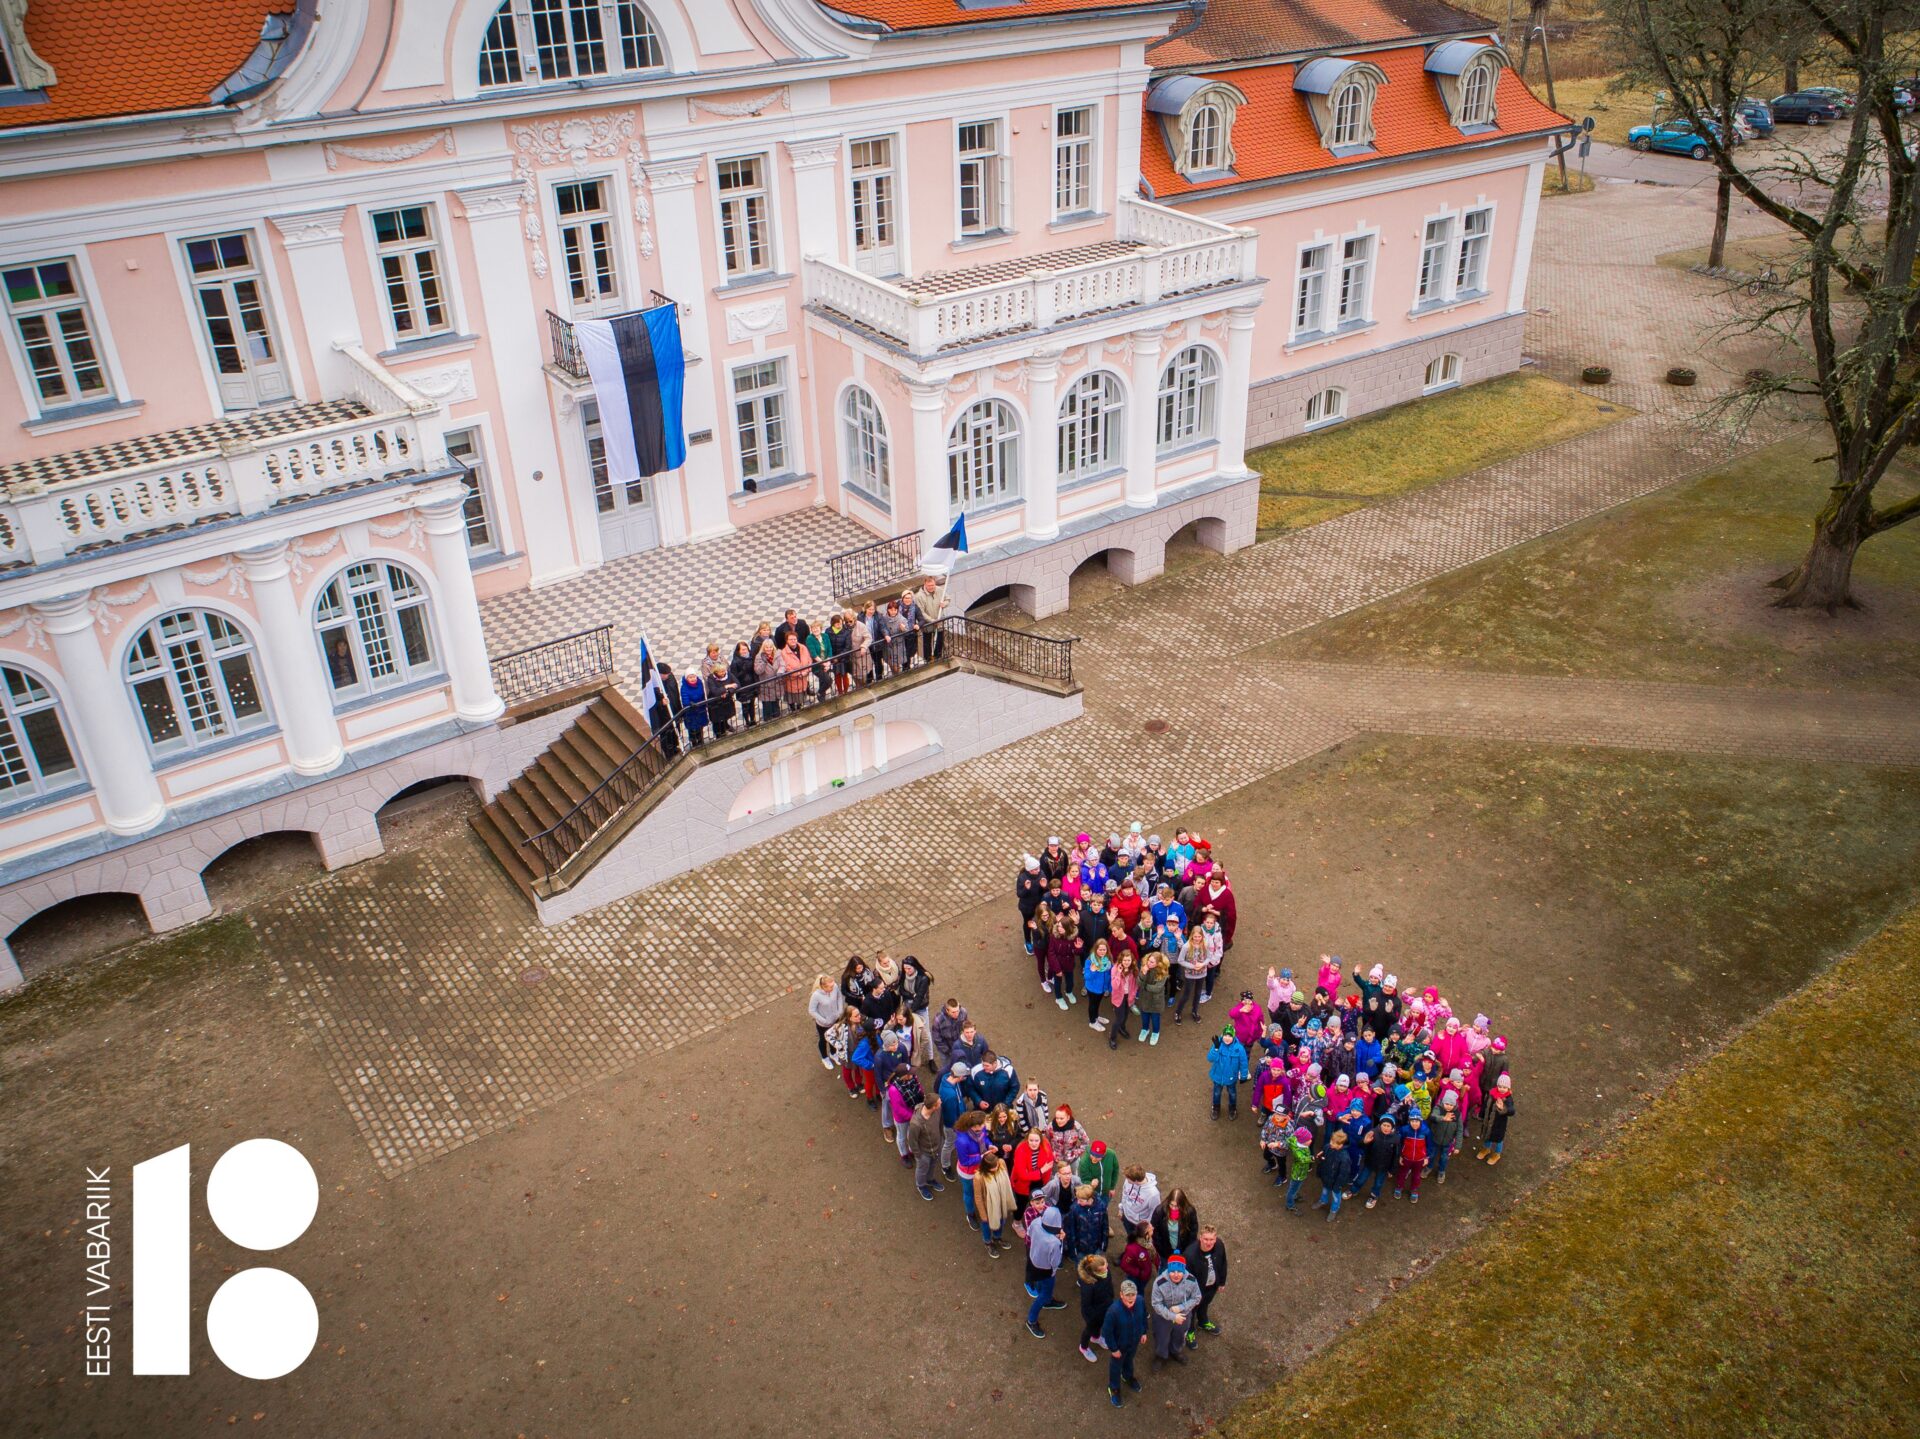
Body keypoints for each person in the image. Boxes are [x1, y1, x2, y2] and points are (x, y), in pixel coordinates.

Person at [1102, 1280, 1150, 1406]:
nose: (1130, 1297)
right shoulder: (1113, 1311)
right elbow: (1107, 1332)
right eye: (1127, 1295)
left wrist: (1144, 1332)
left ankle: (1127, 1376)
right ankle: (1114, 1388)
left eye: (1133, 1294)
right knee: (1116, 1366)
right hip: (1119, 1347)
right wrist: (1114, 1349)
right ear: (1121, 1295)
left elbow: (1144, 1316)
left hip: (1134, 1342)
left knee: (1129, 1360)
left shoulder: (1140, 1301)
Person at [1024, 1206, 1068, 1338]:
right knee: (1044, 1294)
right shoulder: (1054, 1242)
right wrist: (1061, 1239)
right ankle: (1031, 1320)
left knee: (1039, 1285)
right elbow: (1056, 1262)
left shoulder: (1036, 1222)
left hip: (1033, 1261)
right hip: (1046, 1271)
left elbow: (1029, 1234)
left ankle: (1046, 1300)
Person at [1148, 1255, 1199, 1365]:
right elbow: (1156, 1304)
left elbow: (1197, 1297)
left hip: (1183, 1316)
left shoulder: (1192, 1280)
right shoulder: (1159, 1282)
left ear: (1184, 1270)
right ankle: (1161, 1356)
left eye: (1179, 1271)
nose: (1176, 1274)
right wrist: (1173, 1316)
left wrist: (1181, 1308)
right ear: (1168, 1270)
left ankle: (1175, 1351)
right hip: (1163, 1315)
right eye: (1173, 1271)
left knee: (1180, 1335)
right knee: (1161, 1336)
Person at [1181, 1226, 1228, 1343]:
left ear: (1215, 1238)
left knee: (1205, 1304)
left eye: (1212, 1239)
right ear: (1200, 1238)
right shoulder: (1189, 1255)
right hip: (1196, 1290)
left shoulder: (1219, 1246)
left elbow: (1223, 1264)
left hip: (1212, 1286)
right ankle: (1189, 1331)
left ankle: (1203, 1321)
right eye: (1206, 1239)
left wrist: (1222, 1282)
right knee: (1191, 1311)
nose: (1209, 1242)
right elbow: (1186, 1278)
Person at [953, 1107, 989, 1227]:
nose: (985, 1125)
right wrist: (982, 1156)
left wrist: (991, 1145)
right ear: (975, 1126)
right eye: (983, 1123)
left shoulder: (981, 1129)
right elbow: (964, 1161)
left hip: (980, 1168)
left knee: (979, 1191)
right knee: (969, 1193)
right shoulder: (962, 1141)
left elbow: (986, 1138)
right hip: (968, 1173)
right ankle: (970, 1214)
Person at [1076, 1253, 1114, 1364]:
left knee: (1100, 1325)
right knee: (1089, 1329)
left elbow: (1109, 1286)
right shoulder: (1088, 1285)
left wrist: (1110, 1298)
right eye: (1103, 1269)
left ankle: (1096, 1337)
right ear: (1095, 1272)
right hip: (1093, 1314)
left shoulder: (1106, 1272)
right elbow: (1086, 1305)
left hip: (1105, 1307)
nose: (1106, 1269)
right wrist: (1092, 1318)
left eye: (1106, 1265)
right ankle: (1083, 1347)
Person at [1314, 1127, 1358, 1223]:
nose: (1331, 1143)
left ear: (1341, 1145)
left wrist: (1338, 1185)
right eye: (1331, 1141)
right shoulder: (1327, 1147)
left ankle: (1334, 1210)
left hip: (1335, 1182)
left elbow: (1344, 1173)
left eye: (1333, 1143)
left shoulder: (1344, 1158)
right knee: (1325, 1190)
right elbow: (1323, 1157)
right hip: (1326, 1176)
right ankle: (1323, 1201)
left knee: (1335, 1196)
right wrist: (1320, 1158)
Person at [977, 1152, 1016, 1257]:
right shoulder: (979, 1177)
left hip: (1001, 1202)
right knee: (986, 1225)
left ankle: (997, 1238)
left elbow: (1006, 1180)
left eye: (996, 1166)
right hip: (988, 1207)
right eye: (992, 1168)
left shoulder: (1001, 1163)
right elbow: (978, 1197)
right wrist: (983, 1214)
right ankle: (988, 1242)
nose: (995, 1168)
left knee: (1001, 1221)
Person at [907, 1093, 945, 1200]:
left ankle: (930, 1179)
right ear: (933, 1106)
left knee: (932, 1166)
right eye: (939, 1102)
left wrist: (941, 1137)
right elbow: (912, 1141)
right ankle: (921, 1185)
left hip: (936, 1147)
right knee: (922, 1170)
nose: (941, 1102)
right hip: (924, 1153)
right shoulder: (916, 1123)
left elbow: (940, 1123)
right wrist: (919, 1155)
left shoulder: (937, 1110)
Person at [937, 1061, 969, 1182]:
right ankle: (945, 1166)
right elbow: (951, 1118)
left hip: (958, 1118)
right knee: (949, 1144)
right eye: (964, 1075)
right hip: (952, 1126)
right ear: (959, 1076)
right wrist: (959, 1126)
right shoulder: (950, 1095)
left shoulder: (948, 1078)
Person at [1361, 1113, 1401, 1209]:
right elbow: (1363, 1146)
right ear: (1380, 1125)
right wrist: (1364, 1142)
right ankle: (1354, 1190)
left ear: (1392, 1127)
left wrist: (1392, 1170)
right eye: (1384, 1125)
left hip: (1384, 1166)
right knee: (1361, 1178)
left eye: (1388, 1126)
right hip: (1370, 1162)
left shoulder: (1396, 1139)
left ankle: (1373, 1196)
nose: (1386, 1128)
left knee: (1378, 1183)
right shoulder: (1373, 1133)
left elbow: (1396, 1155)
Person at [1208, 1026, 1248, 1120]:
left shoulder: (1239, 1048)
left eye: (1230, 1036)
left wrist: (1243, 1075)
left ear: (1234, 1037)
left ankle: (1232, 1108)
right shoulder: (1218, 1044)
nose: (1227, 1038)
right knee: (1217, 1093)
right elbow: (1210, 1058)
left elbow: (1243, 1063)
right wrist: (1216, 1049)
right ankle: (1216, 1108)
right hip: (1218, 1076)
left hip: (1231, 1077)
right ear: (1222, 1035)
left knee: (1232, 1093)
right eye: (1225, 1035)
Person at [1011, 1126, 1055, 1208]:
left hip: (1039, 1181)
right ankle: (1017, 1220)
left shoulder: (1046, 1145)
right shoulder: (1020, 1150)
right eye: (1031, 1140)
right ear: (1027, 1139)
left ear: (1040, 1140)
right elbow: (1022, 1175)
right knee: (1021, 1203)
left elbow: (1049, 1165)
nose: (1034, 1143)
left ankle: (1034, 1215)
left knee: (1038, 1201)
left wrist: (1044, 1181)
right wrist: (1041, 1171)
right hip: (1023, 1184)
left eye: (1036, 1140)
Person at [806, 974, 843, 1069]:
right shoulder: (816, 995)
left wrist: (840, 1011)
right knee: (823, 1040)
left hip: (835, 1019)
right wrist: (824, 1020)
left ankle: (833, 1053)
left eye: (833, 985)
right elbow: (812, 1010)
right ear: (823, 987)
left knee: (834, 1037)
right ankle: (824, 1057)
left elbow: (839, 997)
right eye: (830, 986)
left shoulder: (834, 987)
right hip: (823, 1024)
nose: (833, 987)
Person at [1478, 1072, 1515, 1164]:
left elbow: (1512, 1111)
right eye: (1500, 1086)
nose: (1502, 1089)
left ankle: (1497, 1154)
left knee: (1498, 1139)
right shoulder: (1492, 1093)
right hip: (1488, 1120)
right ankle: (1486, 1149)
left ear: (1508, 1088)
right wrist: (1482, 1114)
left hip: (1499, 1124)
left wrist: (1503, 1108)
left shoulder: (1508, 1099)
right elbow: (1486, 1105)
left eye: (1504, 1087)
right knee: (1487, 1135)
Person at [1427, 1090, 1462, 1184]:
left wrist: (1458, 1146)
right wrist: (1443, 1118)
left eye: (1451, 1105)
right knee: (1432, 1154)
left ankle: (1441, 1171)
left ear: (1454, 1105)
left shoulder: (1457, 1114)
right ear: (1443, 1102)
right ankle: (1428, 1167)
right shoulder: (1438, 1108)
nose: (1449, 1106)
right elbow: (1433, 1116)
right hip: (1435, 1138)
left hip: (1448, 1141)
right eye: (1447, 1103)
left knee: (1444, 1158)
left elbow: (1459, 1130)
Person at [1151, 1188, 1197, 1261]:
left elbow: (1193, 1232)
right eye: (1171, 1205)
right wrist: (1160, 1249)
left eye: (1177, 1206)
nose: (1174, 1208)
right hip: (1165, 1250)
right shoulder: (1159, 1211)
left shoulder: (1189, 1212)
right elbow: (1155, 1232)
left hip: (1183, 1249)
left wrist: (1188, 1250)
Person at [913, 574, 949, 663]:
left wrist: (945, 603)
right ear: (925, 584)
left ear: (935, 583)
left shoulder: (939, 590)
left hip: (939, 620)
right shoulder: (919, 596)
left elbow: (948, 598)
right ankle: (928, 660)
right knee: (927, 642)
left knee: (940, 639)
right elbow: (921, 613)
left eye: (933, 585)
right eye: (929, 586)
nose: (931, 587)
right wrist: (932, 621)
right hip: (928, 624)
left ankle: (938, 656)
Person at [1395, 1111, 1429, 1202]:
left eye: (1417, 1121)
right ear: (1409, 1121)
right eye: (1412, 1121)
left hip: (1419, 1159)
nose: (1414, 1123)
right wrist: (1401, 1155)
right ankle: (1399, 1186)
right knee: (1402, 1172)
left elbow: (1429, 1145)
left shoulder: (1425, 1130)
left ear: (1420, 1121)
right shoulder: (1404, 1130)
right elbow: (1400, 1143)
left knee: (1416, 1175)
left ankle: (1414, 1189)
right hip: (1406, 1157)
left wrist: (1427, 1157)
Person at [1107, 951, 1139, 1049]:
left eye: (1128, 960)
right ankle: (1112, 1038)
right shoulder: (1115, 969)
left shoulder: (1133, 969)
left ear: (1132, 960)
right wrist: (1119, 973)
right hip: (1118, 998)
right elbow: (1114, 986)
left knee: (1126, 1015)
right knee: (1119, 1018)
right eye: (1124, 960)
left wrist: (1133, 994)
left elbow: (1136, 984)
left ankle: (1122, 1028)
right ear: (1121, 960)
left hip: (1128, 997)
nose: (1126, 962)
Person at [1118, 1165, 1160, 1239]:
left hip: (1139, 1224)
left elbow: (1154, 1212)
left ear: (1136, 1181)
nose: (1126, 1180)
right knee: (1131, 1237)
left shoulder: (1153, 1194)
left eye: (1128, 1179)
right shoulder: (1128, 1181)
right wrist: (1121, 1209)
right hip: (1126, 1217)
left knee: (1141, 1243)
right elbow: (1124, 1195)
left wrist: (1146, 1226)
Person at [701, 644, 735, 735]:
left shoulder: (722, 659)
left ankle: (725, 724)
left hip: (725, 686)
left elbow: (728, 670)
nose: (715, 654)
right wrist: (721, 690)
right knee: (716, 712)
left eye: (716, 651)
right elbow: (707, 678)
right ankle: (718, 731)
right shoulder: (705, 664)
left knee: (725, 709)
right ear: (709, 653)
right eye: (713, 652)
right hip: (714, 690)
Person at [1280, 1126, 1315, 1212]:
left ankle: (1294, 1196)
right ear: (1303, 1142)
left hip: (1298, 1171)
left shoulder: (1295, 1140)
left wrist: (1279, 1144)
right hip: (1299, 1174)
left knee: (1294, 1188)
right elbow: (1303, 1159)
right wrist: (1313, 1158)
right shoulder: (1299, 1152)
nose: (1311, 1140)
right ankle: (1290, 1204)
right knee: (1293, 1189)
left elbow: (1289, 1139)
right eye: (1309, 1140)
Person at [931, 999, 969, 1075]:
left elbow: (965, 1027)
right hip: (945, 1049)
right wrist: (948, 1051)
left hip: (959, 1045)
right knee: (947, 1067)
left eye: (957, 1010)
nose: (956, 1014)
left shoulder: (963, 1012)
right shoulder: (938, 1019)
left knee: (961, 1064)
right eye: (953, 1012)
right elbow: (937, 1039)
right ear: (947, 1010)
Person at [678, 665, 708, 746]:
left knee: (700, 727)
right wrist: (690, 704)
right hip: (691, 713)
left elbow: (703, 694)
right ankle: (694, 743)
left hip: (701, 710)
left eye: (694, 676)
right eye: (690, 677)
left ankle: (701, 741)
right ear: (687, 678)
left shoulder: (700, 683)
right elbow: (685, 700)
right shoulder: (684, 688)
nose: (692, 679)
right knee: (693, 730)